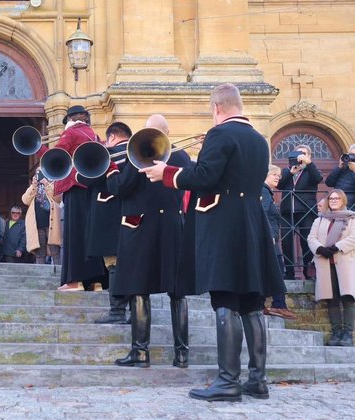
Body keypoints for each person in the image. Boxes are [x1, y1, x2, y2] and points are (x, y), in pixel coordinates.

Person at [141, 84, 286, 401]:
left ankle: (227, 380)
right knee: (251, 303)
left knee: (225, 299)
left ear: (217, 108)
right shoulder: (260, 140)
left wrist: (169, 173)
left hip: (224, 225)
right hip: (252, 224)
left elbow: (205, 177)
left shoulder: (220, 134)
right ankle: (257, 380)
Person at [108, 115, 191, 368]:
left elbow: (120, 188)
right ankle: (182, 354)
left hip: (140, 227)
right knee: (178, 292)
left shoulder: (138, 153)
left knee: (138, 288)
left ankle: (140, 352)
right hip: (173, 228)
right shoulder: (182, 157)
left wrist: (112, 169)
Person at [38, 105, 106, 291]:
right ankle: (94, 282)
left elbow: (56, 159)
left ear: (69, 119)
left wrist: (38, 148)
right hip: (91, 188)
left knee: (73, 235)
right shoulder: (94, 135)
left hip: (75, 187)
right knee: (89, 234)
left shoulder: (71, 134)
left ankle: (73, 281)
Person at [86, 121, 132, 324]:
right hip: (133, 218)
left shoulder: (105, 154)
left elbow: (84, 178)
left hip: (108, 219)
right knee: (131, 264)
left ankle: (117, 312)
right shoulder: (138, 152)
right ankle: (135, 312)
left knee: (114, 264)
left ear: (111, 137)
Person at [307, 188, 355, 347]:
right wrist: (321, 249)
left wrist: (336, 247)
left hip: (344, 262)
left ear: (343, 200)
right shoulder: (320, 219)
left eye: (337, 198)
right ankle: (336, 332)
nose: (333, 201)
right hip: (326, 264)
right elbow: (311, 238)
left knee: (347, 299)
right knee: (332, 299)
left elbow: (353, 238)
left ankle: (347, 333)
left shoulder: (351, 218)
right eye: (331, 198)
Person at [277, 144, 322, 279]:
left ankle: (308, 273)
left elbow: (318, 179)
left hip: (306, 210)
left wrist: (309, 164)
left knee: (306, 241)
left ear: (309, 156)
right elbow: (279, 185)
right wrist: (291, 172)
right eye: (298, 153)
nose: (300, 156)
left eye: (304, 153)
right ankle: (289, 273)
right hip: (287, 211)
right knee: (286, 242)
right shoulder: (287, 170)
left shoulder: (311, 170)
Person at [261, 165, 297, 320]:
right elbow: (261, 214)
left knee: (271, 269)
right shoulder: (263, 191)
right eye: (274, 174)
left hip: (270, 238)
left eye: (279, 175)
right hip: (268, 239)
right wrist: (268, 235)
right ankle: (278, 304)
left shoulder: (267, 192)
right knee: (277, 269)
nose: (277, 177)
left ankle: (266, 303)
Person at [21, 168, 61, 265]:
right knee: (40, 253)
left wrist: (46, 184)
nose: (40, 175)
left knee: (55, 251)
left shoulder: (52, 185)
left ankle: (59, 275)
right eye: (38, 173)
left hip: (51, 225)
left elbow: (58, 198)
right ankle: (40, 273)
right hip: (37, 226)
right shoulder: (33, 188)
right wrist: (34, 185)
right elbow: (25, 200)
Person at [325, 144, 355, 208]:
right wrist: (339, 167)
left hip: (351, 206)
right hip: (336, 202)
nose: (352, 157)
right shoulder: (343, 167)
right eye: (351, 154)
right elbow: (329, 183)